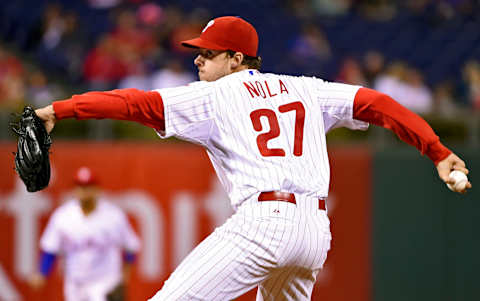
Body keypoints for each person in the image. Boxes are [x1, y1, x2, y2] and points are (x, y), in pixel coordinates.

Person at [34, 16, 471, 301]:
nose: (199, 60)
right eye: (197, 52)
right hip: (314, 232)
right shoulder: (308, 88)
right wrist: (437, 151)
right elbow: (377, 102)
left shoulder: (215, 95)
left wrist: (59, 110)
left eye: (208, 53)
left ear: (236, 58)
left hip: (264, 223)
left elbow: (132, 103)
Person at [30, 166, 141, 301]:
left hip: (105, 281)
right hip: (75, 282)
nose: (84, 191)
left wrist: (124, 278)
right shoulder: (63, 216)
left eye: (88, 186)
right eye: (80, 186)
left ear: (97, 189)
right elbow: (50, 249)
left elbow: (131, 246)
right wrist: (42, 273)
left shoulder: (113, 216)